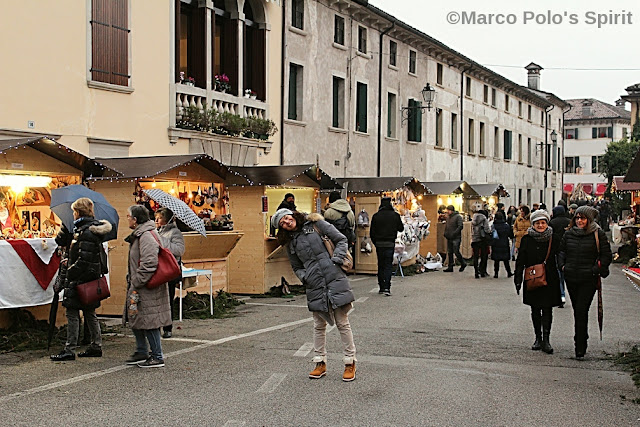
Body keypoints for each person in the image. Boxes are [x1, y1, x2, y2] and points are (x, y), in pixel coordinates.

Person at [272, 208, 357, 381]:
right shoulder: (290, 243)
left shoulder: (316, 224)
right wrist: (305, 277)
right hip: (314, 284)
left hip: (334, 277)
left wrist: (337, 260)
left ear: (292, 215)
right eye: (282, 224)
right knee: (319, 325)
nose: (287, 223)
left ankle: (350, 362)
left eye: (286, 218)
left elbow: (341, 239)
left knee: (342, 322)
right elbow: (296, 266)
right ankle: (320, 362)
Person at [50, 198, 111, 361]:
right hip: (89, 279)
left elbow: (83, 259)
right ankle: (96, 345)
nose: (73, 214)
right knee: (90, 313)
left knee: (72, 313)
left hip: (79, 279)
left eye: (74, 211)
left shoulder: (85, 232)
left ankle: (70, 348)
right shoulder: (92, 230)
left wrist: (70, 272)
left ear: (78, 212)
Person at [558, 205, 612, 359]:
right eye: (577, 218)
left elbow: (606, 255)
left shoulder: (597, 233)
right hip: (571, 277)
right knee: (577, 310)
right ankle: (581, 340)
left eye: (583, 218)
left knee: (582, 310)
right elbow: (561, 251)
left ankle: (580, 345)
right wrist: (563, 266)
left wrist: (595, 269)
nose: (579, 221)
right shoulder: (568, 234)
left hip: (588, 279)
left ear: (589, 219)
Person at [123, 205, 171, 368]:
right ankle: (141, 350)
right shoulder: (142, 234)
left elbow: (149, 262)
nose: (127, 219)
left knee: (150, 319)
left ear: (135, 219)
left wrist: (137, 281)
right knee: (137, 316)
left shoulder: (146, 236)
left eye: (128, 216)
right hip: (142, 284)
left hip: (147, 285)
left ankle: (157, 355)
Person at [514, 209, 561, 354]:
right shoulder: (527, 239)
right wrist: (517, 278)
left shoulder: (554, 238)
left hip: (549, 279)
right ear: (532, 224)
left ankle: (546, 340)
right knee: (535, 309)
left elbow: (561, 256)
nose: (540, 225)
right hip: (532, 279)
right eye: (537, 223)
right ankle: (537, 338)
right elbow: (520, 260)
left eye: (543, 223)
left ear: (547, 223)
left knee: (547, 309)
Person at [155, 208, 185, 339]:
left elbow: (179, 250)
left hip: (169, 271)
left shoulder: (175, 232)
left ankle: (168, 327)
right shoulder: (155, 232)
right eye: (155, 217)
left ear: (166, 220)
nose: (156, 220)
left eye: (159, 218)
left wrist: (163, 241)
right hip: (157, 269)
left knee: (168, 300)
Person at [370, 197, 404, 295]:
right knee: (388, 265)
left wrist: (375, 242)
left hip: (379, 244)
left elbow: (372, 232)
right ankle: (387, 287)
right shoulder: (395, 216)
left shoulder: (376, 216)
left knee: (380, 265)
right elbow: (401, 228)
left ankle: (381, 286)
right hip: (390, 243)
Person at [549, 205, 571, 307]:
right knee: (567, 273)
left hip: (556, 250)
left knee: (559, 274)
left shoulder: (552, 222)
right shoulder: (569, 221)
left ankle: (561, 295)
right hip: (569, 250)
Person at [443, 205, 467, 273]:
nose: (447, 212)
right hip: (449, 237)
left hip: (456, 237)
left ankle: (463, 263)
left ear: (452, 210)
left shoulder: (458, 217)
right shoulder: (448, 218)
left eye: (448, 210)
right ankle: (450, 266)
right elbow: (447, 226)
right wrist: (445, 233)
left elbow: (460, 226)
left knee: (456, 251)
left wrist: (454, 233)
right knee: (450, 252)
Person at [490, 211, 513, 278]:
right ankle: (509, 272)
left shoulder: (494, 226)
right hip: (504, 243)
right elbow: (510, 234)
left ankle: (496, 273)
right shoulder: (506, 226)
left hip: (496, 244)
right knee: (505, 260)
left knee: (496, 260)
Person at [471, 208, 491, 279]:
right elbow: (487, 230)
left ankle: (476, 272)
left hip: (474, 239)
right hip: (482, 240)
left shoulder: (473, 219)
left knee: (475, 256)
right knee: (483, 255)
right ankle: (482, 271)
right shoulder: (484, 219)